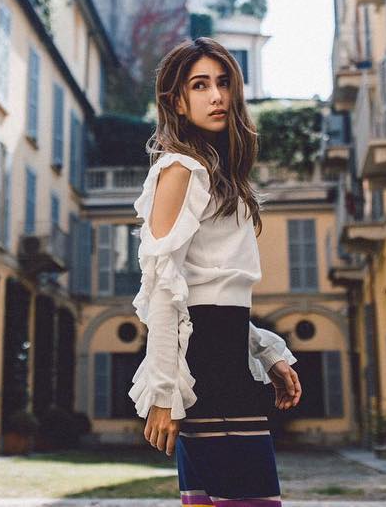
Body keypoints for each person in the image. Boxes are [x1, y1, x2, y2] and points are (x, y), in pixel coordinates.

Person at [129, 37, 302, 506]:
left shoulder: (220, 175)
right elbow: (164, 289)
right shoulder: (181, 169)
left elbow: (213, 293)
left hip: (225, 366)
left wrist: (265, 351)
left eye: (223, 83)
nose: (217, 96)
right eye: (200, 85)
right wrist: (165, 393)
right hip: (205, 375)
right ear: (177, 101)